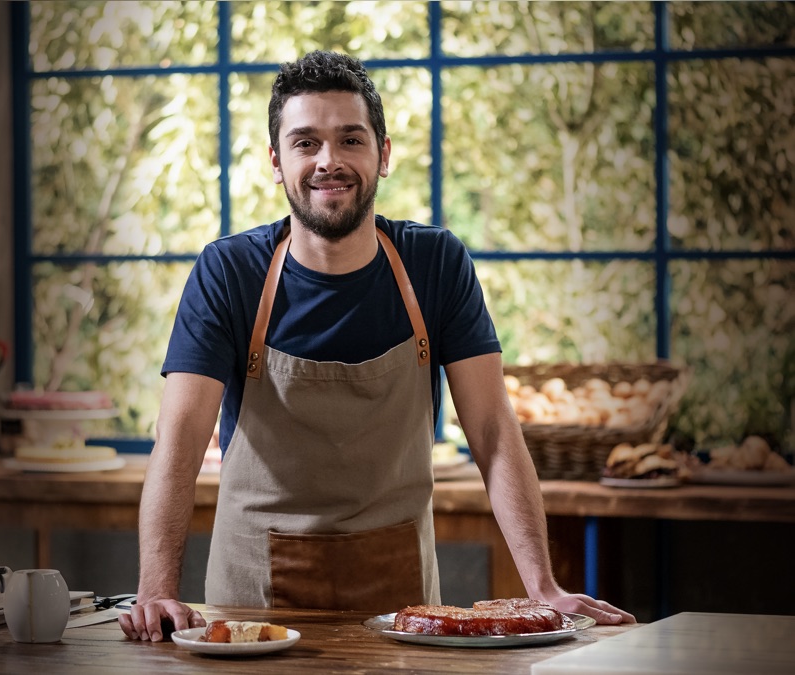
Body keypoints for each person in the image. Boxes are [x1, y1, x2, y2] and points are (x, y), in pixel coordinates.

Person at [119, 50, 634, 642]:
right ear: (276, 161)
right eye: (305, 142)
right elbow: (180, 438)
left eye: (350, 140)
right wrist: (156, 590)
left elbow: (492, 428)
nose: (328, 162)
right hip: (252, 602)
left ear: (383, 154)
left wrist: (542, 585)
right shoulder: (228, 272)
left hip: (403, 612)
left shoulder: (435, 264)